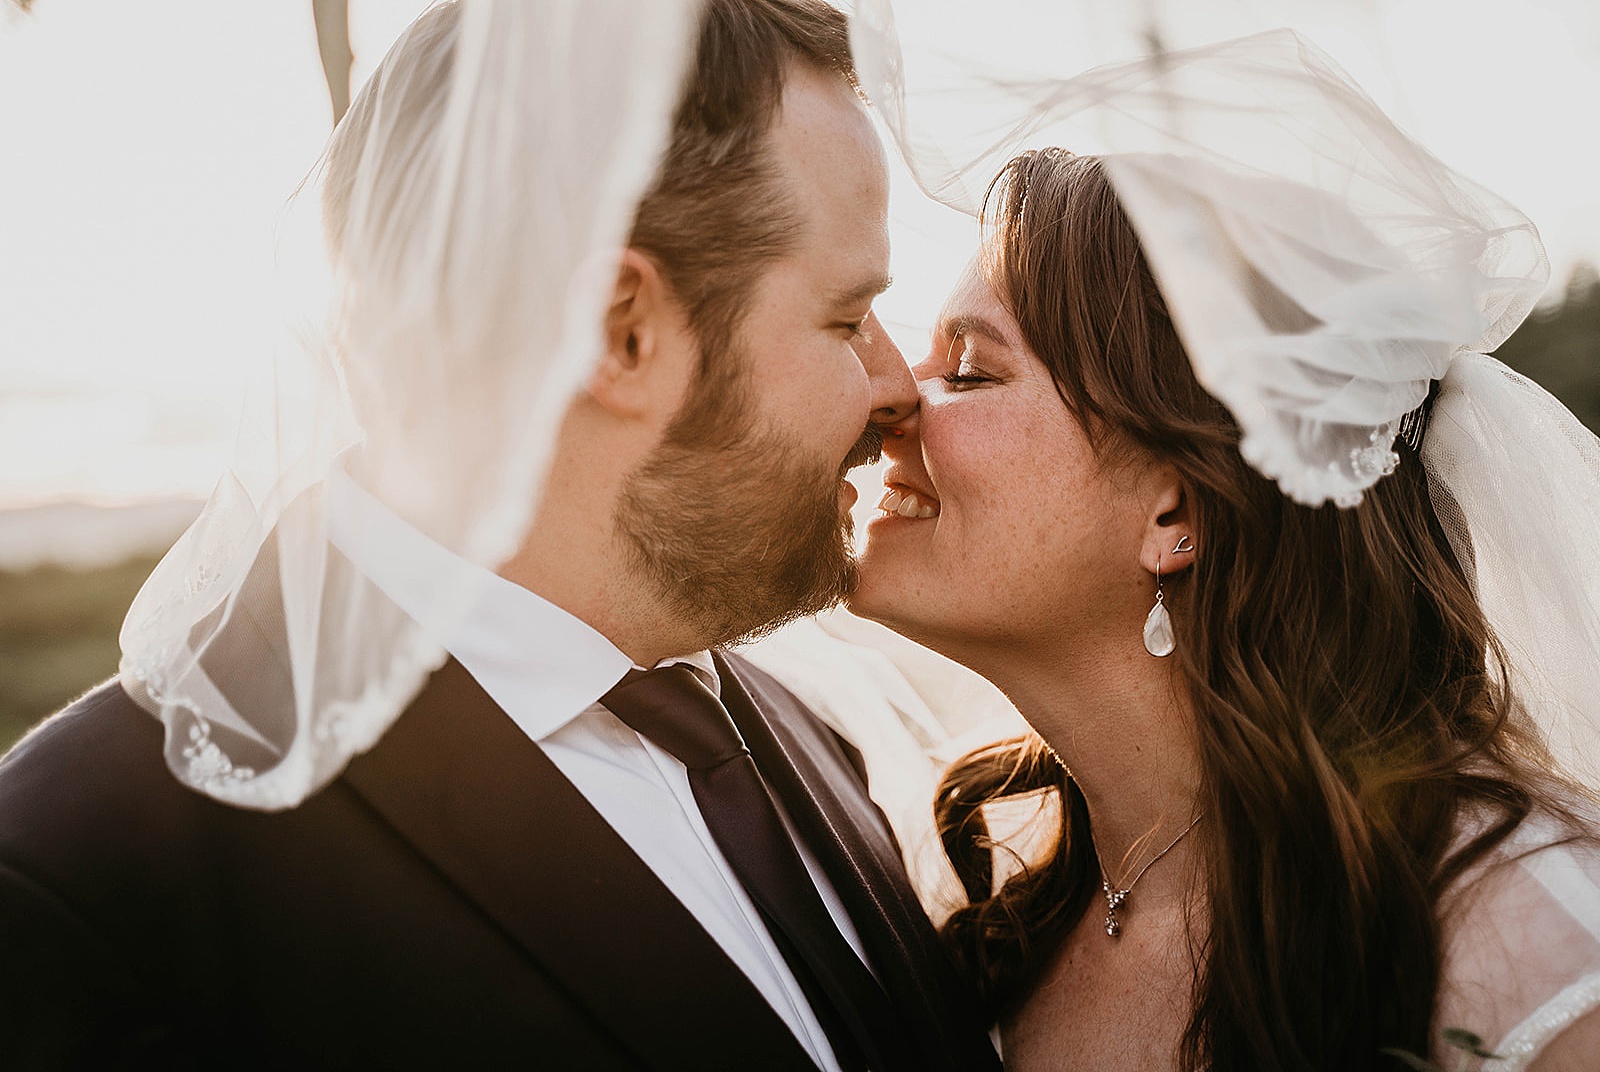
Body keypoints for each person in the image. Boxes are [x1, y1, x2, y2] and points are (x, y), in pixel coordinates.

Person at [0, 2, 1000, 1069]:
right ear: (617, 331)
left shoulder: (795, 735)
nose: (897, 387)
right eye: (846, 319)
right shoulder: (94, 885)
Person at [848, 144, 1600, 1071]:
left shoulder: (1534, 951)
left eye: (968, 370)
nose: (890, 400)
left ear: (1176, 514)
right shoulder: (1006, 929)